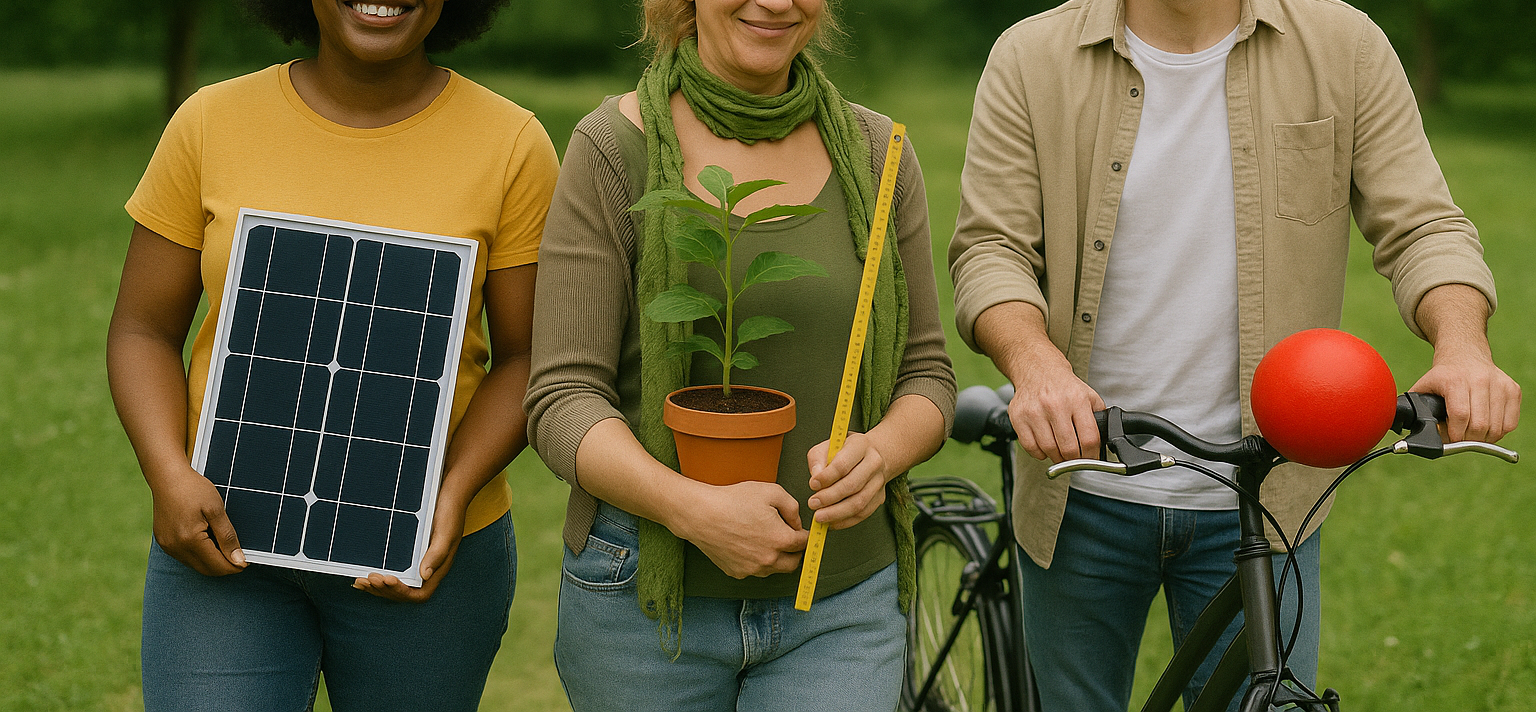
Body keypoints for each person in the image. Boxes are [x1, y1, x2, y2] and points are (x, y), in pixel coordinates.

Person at [948, 0, 1521, 710]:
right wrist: (1038, 370)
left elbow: (1424, 226)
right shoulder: (1030, 55)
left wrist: (1463, 347)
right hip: (1080, 487)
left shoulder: (1343, 45)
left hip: (1270, 493)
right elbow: (991, 248)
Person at [105, 0, 558, 709]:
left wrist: (450, 493)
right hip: (224, 539)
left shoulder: (512, 144)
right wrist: (167, 472)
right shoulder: (209, 122)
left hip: (428, 558)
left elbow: (529, 356)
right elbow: (141, 329)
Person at [522, 0, 956, 708]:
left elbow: (927, 375)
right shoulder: (611, 148)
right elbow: (562, 399)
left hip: (840, 601)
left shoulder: (880, 156)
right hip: (645, 605)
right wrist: (689, 508)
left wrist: (881, 453)